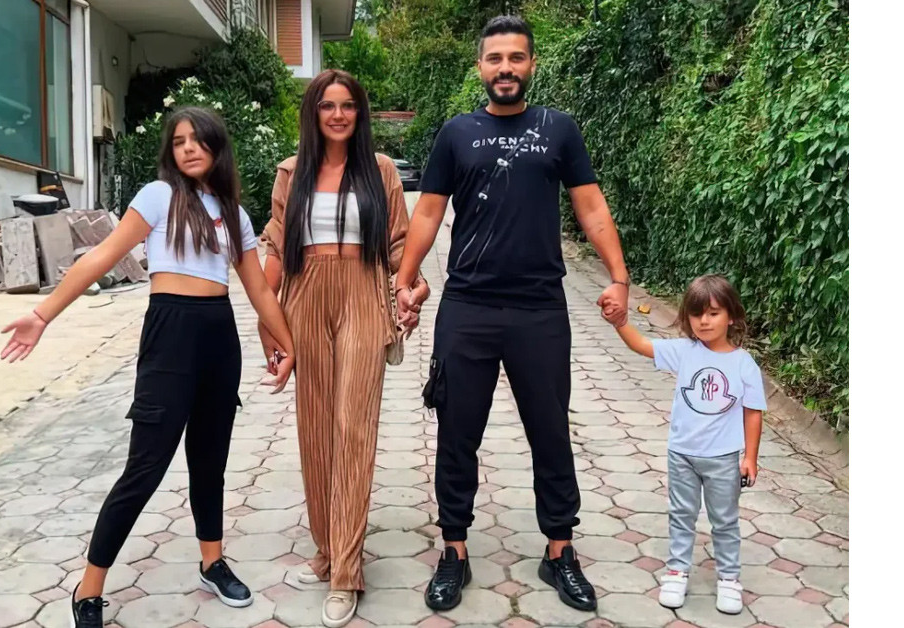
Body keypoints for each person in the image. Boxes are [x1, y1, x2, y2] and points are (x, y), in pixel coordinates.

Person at [0, 107, 296, 628]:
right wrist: (42, 315)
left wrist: (288, 344)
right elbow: (100, 256)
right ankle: (89, 588)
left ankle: (212, 562)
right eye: (178, 141)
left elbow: (259, 290)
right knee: (145, 467)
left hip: (219, 337)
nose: (188, 148)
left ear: (217, 147)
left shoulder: (234, 214)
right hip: (170, 336)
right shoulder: (158, 197)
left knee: (210, 461)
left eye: (197, 139)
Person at [393, 16, 631, 613]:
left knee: (550, 432)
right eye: (495, 58)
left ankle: (560, 551)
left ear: (531, 65)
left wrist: (618, 277)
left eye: (516, 58)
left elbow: (590, 206)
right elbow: (428, 212)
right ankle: (454, 550)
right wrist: (404, 277)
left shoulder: (559, 129)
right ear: (481, 67)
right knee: (457, 433)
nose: (505, 68)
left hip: (539, 308)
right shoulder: (456, 133)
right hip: (467, 306)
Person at [258, 69, 429, 628]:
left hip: (361, 293)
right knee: (315, 429)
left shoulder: (380, 171)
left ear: (360, 113)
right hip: (305, 297)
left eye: (348, 105)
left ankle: (346, 572)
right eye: (327, 105)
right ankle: (327, 548)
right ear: (313, 113)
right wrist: (267, 320)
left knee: (354, 428)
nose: (337, 115)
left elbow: (401, 244)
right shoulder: (292, 172)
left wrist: (413, 287)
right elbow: (277, 248)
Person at [607, 274, 765, 615]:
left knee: (725, 520)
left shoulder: (744, 364)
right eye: (696, 314)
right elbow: (641, 345)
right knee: (681, 515)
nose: (704, 321)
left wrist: (750, 458)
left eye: (713, 313)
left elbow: (753, 413)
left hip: (723, 459)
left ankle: (729, 578)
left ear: (731, 316)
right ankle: (677, 571)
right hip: (682, 455)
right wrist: (621, 322)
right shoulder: (684, 352)